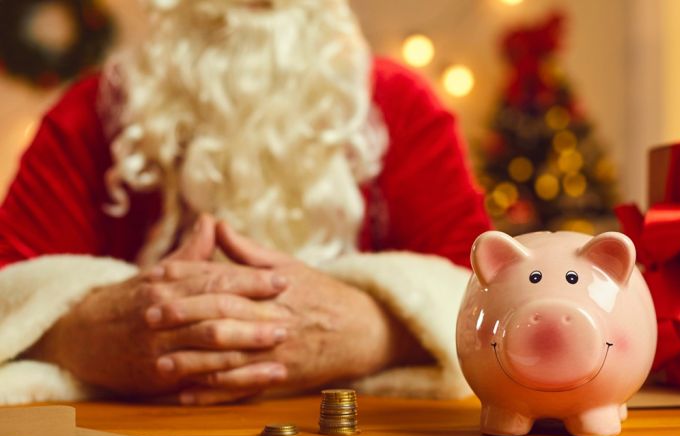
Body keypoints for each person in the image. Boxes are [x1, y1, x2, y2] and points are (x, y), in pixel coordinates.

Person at [0, 0, 491, 406]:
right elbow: (9, 290)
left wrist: (375, 330)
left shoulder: (401, 108)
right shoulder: (87, 115)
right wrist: (83, 335)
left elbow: (485, 296)